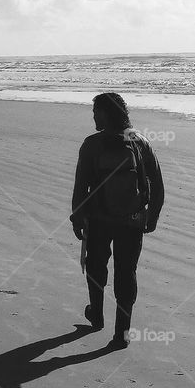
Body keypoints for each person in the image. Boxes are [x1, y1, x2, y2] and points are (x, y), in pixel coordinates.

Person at [70, 92, 165, 348]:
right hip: (132, 221)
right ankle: (121, 333)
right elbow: (156, 183)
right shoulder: (139, 142)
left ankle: (97, 315)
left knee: (95, 266)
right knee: (126, 272)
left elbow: (81, 186)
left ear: (105, 113)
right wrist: (152, 215)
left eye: (95, 112)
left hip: (99, 219)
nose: (93, 117)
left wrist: (77, 217)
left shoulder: (91, 145)